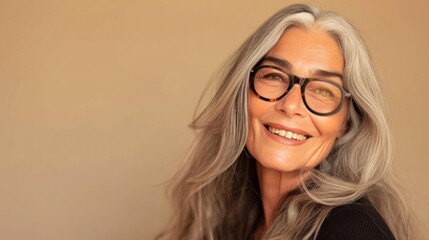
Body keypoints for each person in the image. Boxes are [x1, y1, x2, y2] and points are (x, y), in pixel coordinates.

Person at [156, 4, 422, 240]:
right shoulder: (236, 221)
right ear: (242, 94)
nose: (291, 105)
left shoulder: (350, 231)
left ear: (345, 123)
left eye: (323, 90)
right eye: (274, 76)